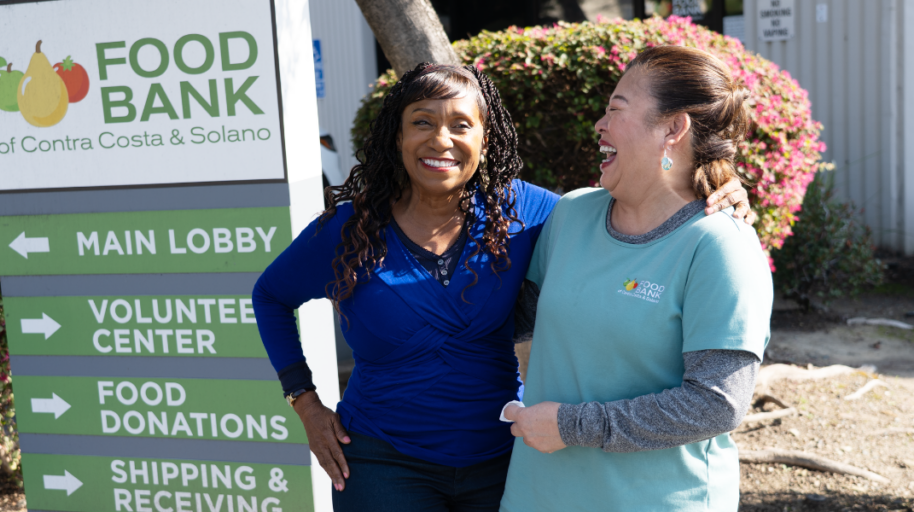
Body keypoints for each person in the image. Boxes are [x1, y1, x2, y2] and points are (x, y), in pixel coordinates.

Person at [252, 62, 753, 511]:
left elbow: (639, 221)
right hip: (384, 461)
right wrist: (304, 401)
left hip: (505, 456)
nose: (440, 140)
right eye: (421, 122)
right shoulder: (350, 229)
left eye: (461, 125)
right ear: (396, 137)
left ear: (486, 139)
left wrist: (716, 188)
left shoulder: (535, 215)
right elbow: (270, 296)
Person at [499, 45, 774, 511]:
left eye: (616, 109)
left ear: (673, 128)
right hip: (538, 494)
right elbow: (518, 317)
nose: (599, 125)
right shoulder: (572, 214)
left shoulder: (719, 245)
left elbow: (716, 403)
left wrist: (572, 425)